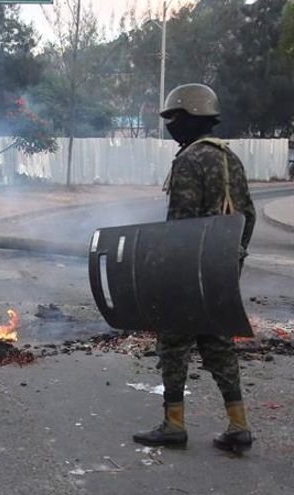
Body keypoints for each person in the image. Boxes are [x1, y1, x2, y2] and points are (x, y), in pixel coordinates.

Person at [133, 83, 255, 453]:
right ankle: (238, 427)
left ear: (188, 117)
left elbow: (181, 226)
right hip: (220, 270)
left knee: (173, 342)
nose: (170, 124)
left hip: (191, 270)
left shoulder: (190, 159)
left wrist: (165, 271)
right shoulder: (228, 157)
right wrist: (232, 260)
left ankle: (174, 424)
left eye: (173, 117)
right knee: (217, 343)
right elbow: (247, 215)